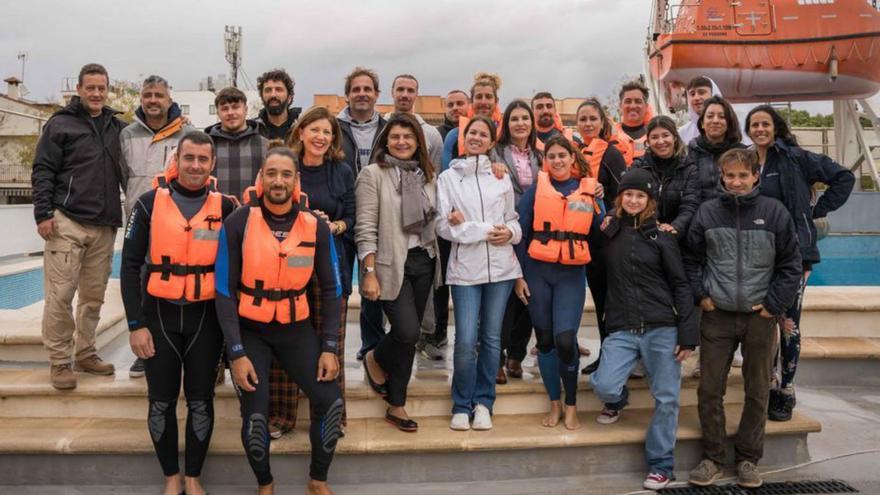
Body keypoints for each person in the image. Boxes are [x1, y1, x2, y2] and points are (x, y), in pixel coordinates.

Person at [215, 144, 343, 495]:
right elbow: (224, 290)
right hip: (250, 332)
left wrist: (329, 346)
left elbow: (333, 289)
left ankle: (317, 481)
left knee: (330, 402)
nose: (278, 181)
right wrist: (236, 353)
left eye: (286, 174)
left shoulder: (315, 226)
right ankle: (265, 485)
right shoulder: (238, 222)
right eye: (271, 173)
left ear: (296, 181)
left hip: (296, 329)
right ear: (260, 178)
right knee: (256, 416)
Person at [121, 131, 236, 495]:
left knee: (201, 399)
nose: (196, 166)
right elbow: (129, 267)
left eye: (203, 160)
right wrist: (136, 325)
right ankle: (171, 477)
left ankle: (194, 477)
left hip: (206, 320)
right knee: (161, 400)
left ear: (212, 164)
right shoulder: (149, 204)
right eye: (189, 158)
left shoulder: (227, 208)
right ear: (177, 160)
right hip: (159, 317)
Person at [685, 149, 802, 490]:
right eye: (730, 176)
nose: (736, 182)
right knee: (709, 389)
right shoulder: (707, 212)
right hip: (717, 316)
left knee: (757, 390)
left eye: (742, 175)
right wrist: (702, 296)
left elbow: (790, 265)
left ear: (755, 176)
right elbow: (691, 259)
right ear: (722, 177)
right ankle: (712, 457)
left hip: (758, 317)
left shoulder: (774, 212)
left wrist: (771, 305)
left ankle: (748, 458)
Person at [745, 105, 855, 421]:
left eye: (765, 123)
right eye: (754, 125)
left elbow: (843, 177)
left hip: (793, 255)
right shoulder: (748, 159)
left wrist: (817, 211)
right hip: (758, 254)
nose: (760, 129)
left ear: (775, 127)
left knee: (788, 323)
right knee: (761, 322)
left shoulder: (795, 157)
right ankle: (767, 381)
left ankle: (786, 389)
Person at [589, 168, 697, 491]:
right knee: (604, 385)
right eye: (628, 195)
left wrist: (687, 333)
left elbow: (680, 285)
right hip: (622, 326)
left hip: (661, 326)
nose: (633, 200)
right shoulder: (609, 233)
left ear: (650, 201)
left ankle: (661, 464)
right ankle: (618, 399)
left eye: (640, 196)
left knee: (667, 398)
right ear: (620, 198)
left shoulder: (662, 236)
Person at [32, 63, 124, 390]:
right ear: (80, 90)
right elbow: (42, 169)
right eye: (91, 88)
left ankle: (85, 352)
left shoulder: (116, 127)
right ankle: (59, 361)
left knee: (93, 297)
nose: (97, 93)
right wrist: (43, 214)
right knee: (60, 295)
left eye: (102, 88)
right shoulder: (60, 125)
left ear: (107, 90)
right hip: (66, 220)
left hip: (104, 225)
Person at [270, 107, 354, 437]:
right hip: (288, 267)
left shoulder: (342, 171)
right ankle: (280, 416)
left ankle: (332, 414)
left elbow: (352, 215)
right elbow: (269, 206)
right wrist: (304, 218)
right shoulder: (285, 166)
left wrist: (332, 225)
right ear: (301, 132)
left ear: (333, 139)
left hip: (330, 266)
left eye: (327, 132)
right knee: (284, 342)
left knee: (331, 345)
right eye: (314, 130)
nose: (320, 137)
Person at [355, 113, 441, 433]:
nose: (402, 142)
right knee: (407, 332)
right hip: (393, 265)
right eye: (395, 137)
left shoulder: (427, 176)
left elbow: (433, 222)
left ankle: (397, 404)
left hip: (424, 261)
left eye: (408, 137)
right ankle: (375, 358)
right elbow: (365, 228)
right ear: (386, 141)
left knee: (409, 337)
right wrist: (369, 271)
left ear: (418, 141)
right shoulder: (372, 175)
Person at [437, 116, 522, 430]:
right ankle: (461, 404)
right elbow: (444, 227)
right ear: (463, 138)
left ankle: (484, 402)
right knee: (465, 340)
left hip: (502, 270)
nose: (476, 137)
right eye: (471, 132)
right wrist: (487, 230)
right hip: (464, 272)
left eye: (482, 134)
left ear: (491, 141)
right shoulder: (448, 178)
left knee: (490, 339)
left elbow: (513, 221)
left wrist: (510, 234)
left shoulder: (501, 177)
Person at [515, 136, 605, 430]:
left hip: (570, 276)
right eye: (551, 156)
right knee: (544, 341)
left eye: (561, 156)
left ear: (572, 158)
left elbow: (602, 232)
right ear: (546, 161)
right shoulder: (534, 193)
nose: (556, 161)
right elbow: (521, 234)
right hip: (537, 273)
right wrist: (519, 276)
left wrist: (600, 201)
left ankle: (571, 405)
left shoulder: (589, 192)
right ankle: (554, 402)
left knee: (565, 341)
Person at [120, 74, 193, 379]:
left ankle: (188, 347)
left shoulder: (187, 134)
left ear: (169, 98)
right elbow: (122, 176)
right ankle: (143, 349)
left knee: (174, 283)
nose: (153, 100)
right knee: (139, 283)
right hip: (140, 221)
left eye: (158, 95)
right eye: (147, 95)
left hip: (175, 225)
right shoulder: (125, 135)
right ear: (141, 99)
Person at [572, 98, 629, 375]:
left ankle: (614, 358)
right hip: (584, 242)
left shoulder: (611, 154)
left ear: (602, 121)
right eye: (582, 119)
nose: (587, 123)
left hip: (608, 241)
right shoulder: (574, 152)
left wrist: (604, 194)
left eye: (592, 118)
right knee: (598, 297)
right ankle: (606, 354)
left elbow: (625, 197)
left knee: (611, 302)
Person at [335, 67, 388, 362]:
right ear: (347, 94)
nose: (362, 94)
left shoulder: (388, 127)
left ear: (377, 94)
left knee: (373, 285)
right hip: (343, 215)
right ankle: (334, 346)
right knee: (340, 285)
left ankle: (372, 347)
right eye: (356, 89)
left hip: (376, 216)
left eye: (368, 89)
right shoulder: (334, 127)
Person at [490, 101, 542, 382]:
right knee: (506, 296)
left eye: (525, 118)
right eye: (514, 119)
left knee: (529, 297)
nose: (520, 123)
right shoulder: (494, 153)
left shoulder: (542, 156)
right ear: (506, 124)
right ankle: (495, 356)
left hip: (535, 232)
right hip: (505, 229)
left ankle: (516, 355)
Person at [633, 116, 699, 239]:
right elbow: (626, 197)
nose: (660, 141)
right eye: (654, 137)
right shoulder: (639, 165)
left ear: (674, 137)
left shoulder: (689, 168)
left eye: (665, 135)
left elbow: (690, 205)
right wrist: (651, 222)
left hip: (678, 237)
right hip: (644, 234)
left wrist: (676, 226)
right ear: (648, 141)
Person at [205, 87, 268, 199]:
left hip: (253, 214)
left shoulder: (265, 146)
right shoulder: (206, 145)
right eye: (224, 109)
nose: (230, 113)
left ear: (246, 109)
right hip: (214, 213)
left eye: (235, 107)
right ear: (218, 113)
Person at [686, 95, 747, 203]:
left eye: (722, 117)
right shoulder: (690, 152)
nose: (715, 121)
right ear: (702, 123)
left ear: (729, 123)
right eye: (710, 116)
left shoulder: (742, 153)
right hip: (699, 214)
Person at [441, 72, 503, 170]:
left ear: (496, 101)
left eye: (488, 97)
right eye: (479, 97)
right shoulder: (454, 136)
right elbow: (445, 174)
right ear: (471, 101)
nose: (483, 101)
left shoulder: (506, 132)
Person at [388, 74, 443, 167]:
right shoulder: (379, 128)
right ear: (392, 92)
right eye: (400, 89)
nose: (405, 95)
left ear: (416, 95)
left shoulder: (432, 134)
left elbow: (434, 172)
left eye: (410, 91)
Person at [612, 80, 654, 165]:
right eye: (628, 101)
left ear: (646, 107)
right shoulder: (608, 134)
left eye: (638, 101)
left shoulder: (656, 135)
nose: (633, 106)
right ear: (620, 106)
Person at [255, 68, 301, 141]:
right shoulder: (253, 129)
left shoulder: (301, 128)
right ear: (261, 96)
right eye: (268, 90)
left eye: (279, 90)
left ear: (289, 96)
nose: (273, 95)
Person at [678, 76, 719, 146]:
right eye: (692, 94)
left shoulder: (730, 128)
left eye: (701, 92)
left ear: (713, 94)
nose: (696, 98)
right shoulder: (683, 133)